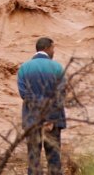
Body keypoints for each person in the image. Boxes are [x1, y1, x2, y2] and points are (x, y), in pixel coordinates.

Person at [17, 37, 66, 175]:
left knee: (34, 161)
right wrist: (48, 119)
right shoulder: (57, 67)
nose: (54, 51)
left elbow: (24, 94)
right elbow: (59, 95)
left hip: (32, 121)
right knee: (54, 161)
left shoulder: (24, 68)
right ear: (47, 48)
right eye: (53, 48)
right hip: (53, 121)